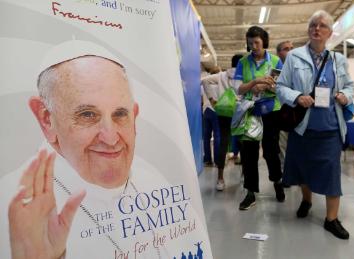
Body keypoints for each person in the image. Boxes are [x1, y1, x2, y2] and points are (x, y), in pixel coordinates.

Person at [0, 41, 206, 258]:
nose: (110, 138)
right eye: (87, 115)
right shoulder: (10, 205)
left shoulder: (156, 182)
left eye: (120, 114)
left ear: (134, 117)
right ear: (46, 119)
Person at [276, 10, 354, 240]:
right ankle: (307, 200)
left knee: (331, 174)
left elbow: (350, 86)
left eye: (322, 26)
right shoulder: (294, 57)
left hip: (330, 127)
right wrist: (297, 96)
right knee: (302, 170)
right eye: (313, 25)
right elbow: (281, 87)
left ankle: (331, 219)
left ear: (330, 32)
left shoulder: (338, 59)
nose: (316, 29)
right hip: (303, 127)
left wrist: (345, 95)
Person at [234, 26, 285, 210]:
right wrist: (254, 83)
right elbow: (238, 88)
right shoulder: (243, 62)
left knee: (271, 151)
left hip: (271, 111)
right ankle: (250, 192)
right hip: (251, 111)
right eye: (250, 42)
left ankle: (277, 181)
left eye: (256, 42)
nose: (253, 45)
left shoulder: (276, 61)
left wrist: (267, 87)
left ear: (264, 42)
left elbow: (282, 87)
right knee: (249, 153)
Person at [201, 54, 243, 191]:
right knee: (243, 141)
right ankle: (245, 174)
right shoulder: (244, 76)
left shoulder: (222, 75)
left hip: (224, 112)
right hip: (239, 112)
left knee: (223, 142)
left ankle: (220, 178)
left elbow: (205, 81)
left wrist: (212, 100)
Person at [275, 40, 294, 173]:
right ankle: (285, 174)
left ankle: (298, 174)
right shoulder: (275, 71)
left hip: (297, 112)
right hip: (280, 113)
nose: (290, 50)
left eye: (292, 48)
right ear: (279, 53)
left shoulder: (298, 68)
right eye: (286, 49)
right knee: (282, 145)